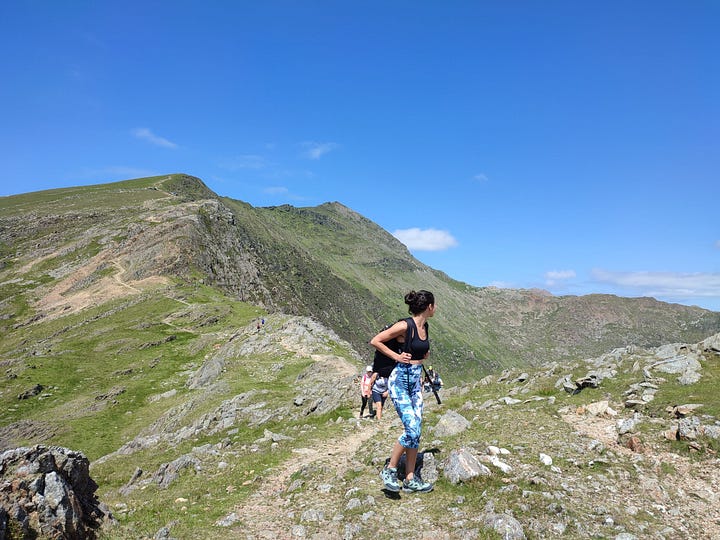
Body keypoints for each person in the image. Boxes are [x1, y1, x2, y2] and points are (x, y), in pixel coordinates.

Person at [371, 290, 436, 493]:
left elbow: (418, 350)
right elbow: (376, 340)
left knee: (416, 429)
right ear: (429, 307)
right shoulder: (404, 326)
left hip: (415, 382)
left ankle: (409, 478)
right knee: (412, 428)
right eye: (435, 305)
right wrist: (396, 356)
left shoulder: (425, 326)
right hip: (399, 381)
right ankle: (390, 469)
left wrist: (422, 355)